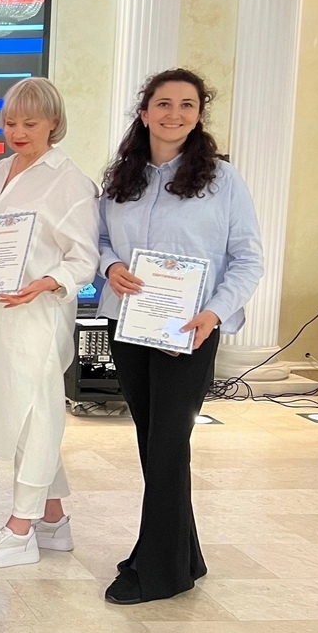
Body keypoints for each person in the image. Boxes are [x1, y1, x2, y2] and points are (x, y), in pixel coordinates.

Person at [98, 69, 263, 604]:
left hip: (190, 330)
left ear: (198, 115)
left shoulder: (222, 179)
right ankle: (181, 554)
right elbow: (100, 238)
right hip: (129, 324)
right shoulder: (122, 177)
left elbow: (248, 258)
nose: (174, 114)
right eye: (164, 104)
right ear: (144, 112)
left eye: (187, 105)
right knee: (154, 443)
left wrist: (214, 313)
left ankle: (158, 572)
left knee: (169, 444)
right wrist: (110, 266)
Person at [0, 78, 99, 568]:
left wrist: (46, 283)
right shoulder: (0, 171)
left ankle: (20, 529)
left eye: (30, 123)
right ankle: (52, 520)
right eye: (10, 122)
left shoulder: (69, 181)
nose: (18, 132)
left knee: (37, 414)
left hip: (37, 315)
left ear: (54, 122)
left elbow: (83, 259)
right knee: (23, 417)